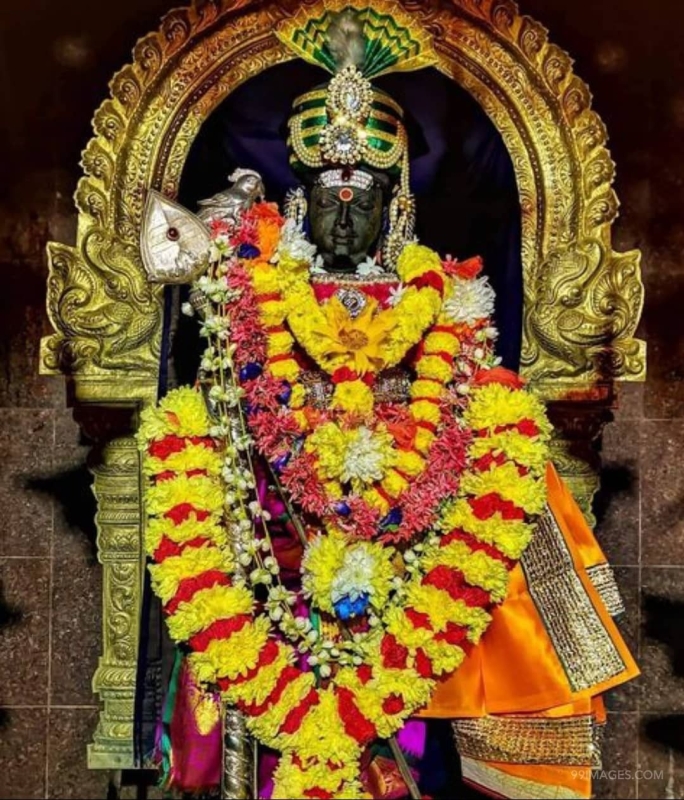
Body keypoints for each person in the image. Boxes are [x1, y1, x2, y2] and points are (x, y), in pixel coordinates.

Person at [139, 7, 637, 798]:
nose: (343, 213)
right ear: (300, 200)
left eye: (362, 196)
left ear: (395, 204)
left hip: (412, 574)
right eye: (327, 193)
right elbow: (225, 431)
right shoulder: (255, 300)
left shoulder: (442, 307)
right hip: (280, 572)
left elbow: (471, 428)